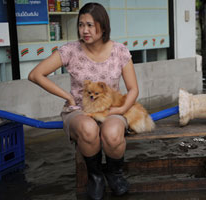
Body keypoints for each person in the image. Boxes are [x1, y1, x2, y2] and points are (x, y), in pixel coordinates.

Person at [28, 3, 137, 199]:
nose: (84, 30)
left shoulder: (120, 51)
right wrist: (68, 97)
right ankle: (95, 177)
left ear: (103, 26)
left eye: (90, 25)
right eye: (81, 25)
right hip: (79, 110)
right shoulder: (70, 50)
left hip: (111, 109)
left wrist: (121, 110)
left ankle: (114, 174)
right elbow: (36, 74)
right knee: (89, 129)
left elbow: (133, 89)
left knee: (112, 133)